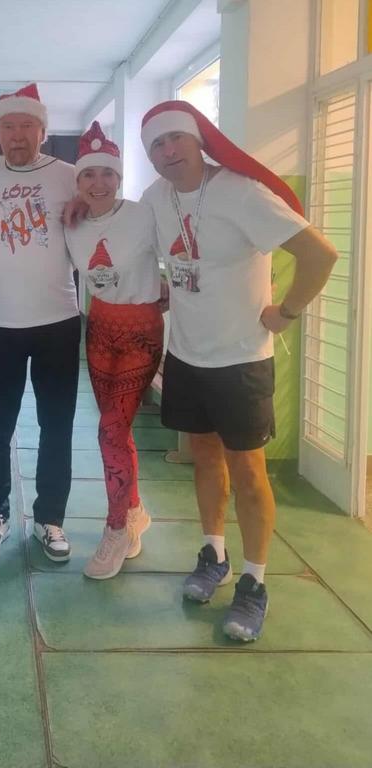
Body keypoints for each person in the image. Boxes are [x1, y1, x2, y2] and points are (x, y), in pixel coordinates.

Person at [139, 100, 337, 640]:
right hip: (187, 354)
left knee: (249, 472)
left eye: (176, 138)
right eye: (156, 144)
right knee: (203, 457)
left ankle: (254, 582)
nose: (168, 150)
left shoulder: (241, 193)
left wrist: (287, 312)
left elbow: (320, 254)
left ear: (199, 139)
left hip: (242, 359)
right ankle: (214, 555)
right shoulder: (156, 197)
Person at [0, 84, 80, 563]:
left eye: (27, 125)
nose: (17, 135)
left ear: (43, 132)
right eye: (8, 126)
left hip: (58, 321)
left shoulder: (70, 176)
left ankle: (50, 518)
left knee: (57, 425)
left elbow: (102, 218)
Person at [64, 121, 164, 579]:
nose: (98, 183)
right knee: (116, 430)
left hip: (140, 330)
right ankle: (135, 510)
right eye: (88, 174)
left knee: (109, 430)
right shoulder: (73, 222)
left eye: (107, 173)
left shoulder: (144, 215)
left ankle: (116, 528)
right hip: (99, 328)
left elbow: (182, 253)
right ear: (78, 181)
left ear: (120, 177)